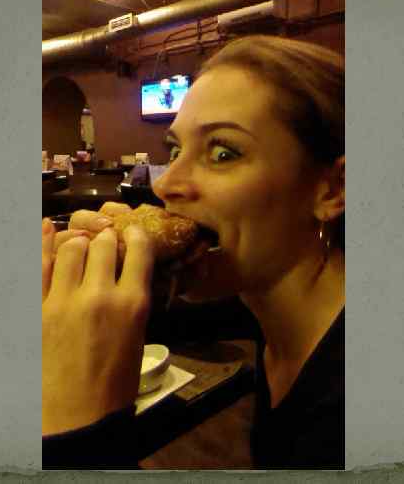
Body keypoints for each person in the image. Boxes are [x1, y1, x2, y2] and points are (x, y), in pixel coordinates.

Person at [42, 35, 345, 469]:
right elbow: (166, 319)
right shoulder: (265, 301)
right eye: (175, 150)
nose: (165, 184)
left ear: (332, 189)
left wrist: (76, 430)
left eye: (222, 152)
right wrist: (86, 292)